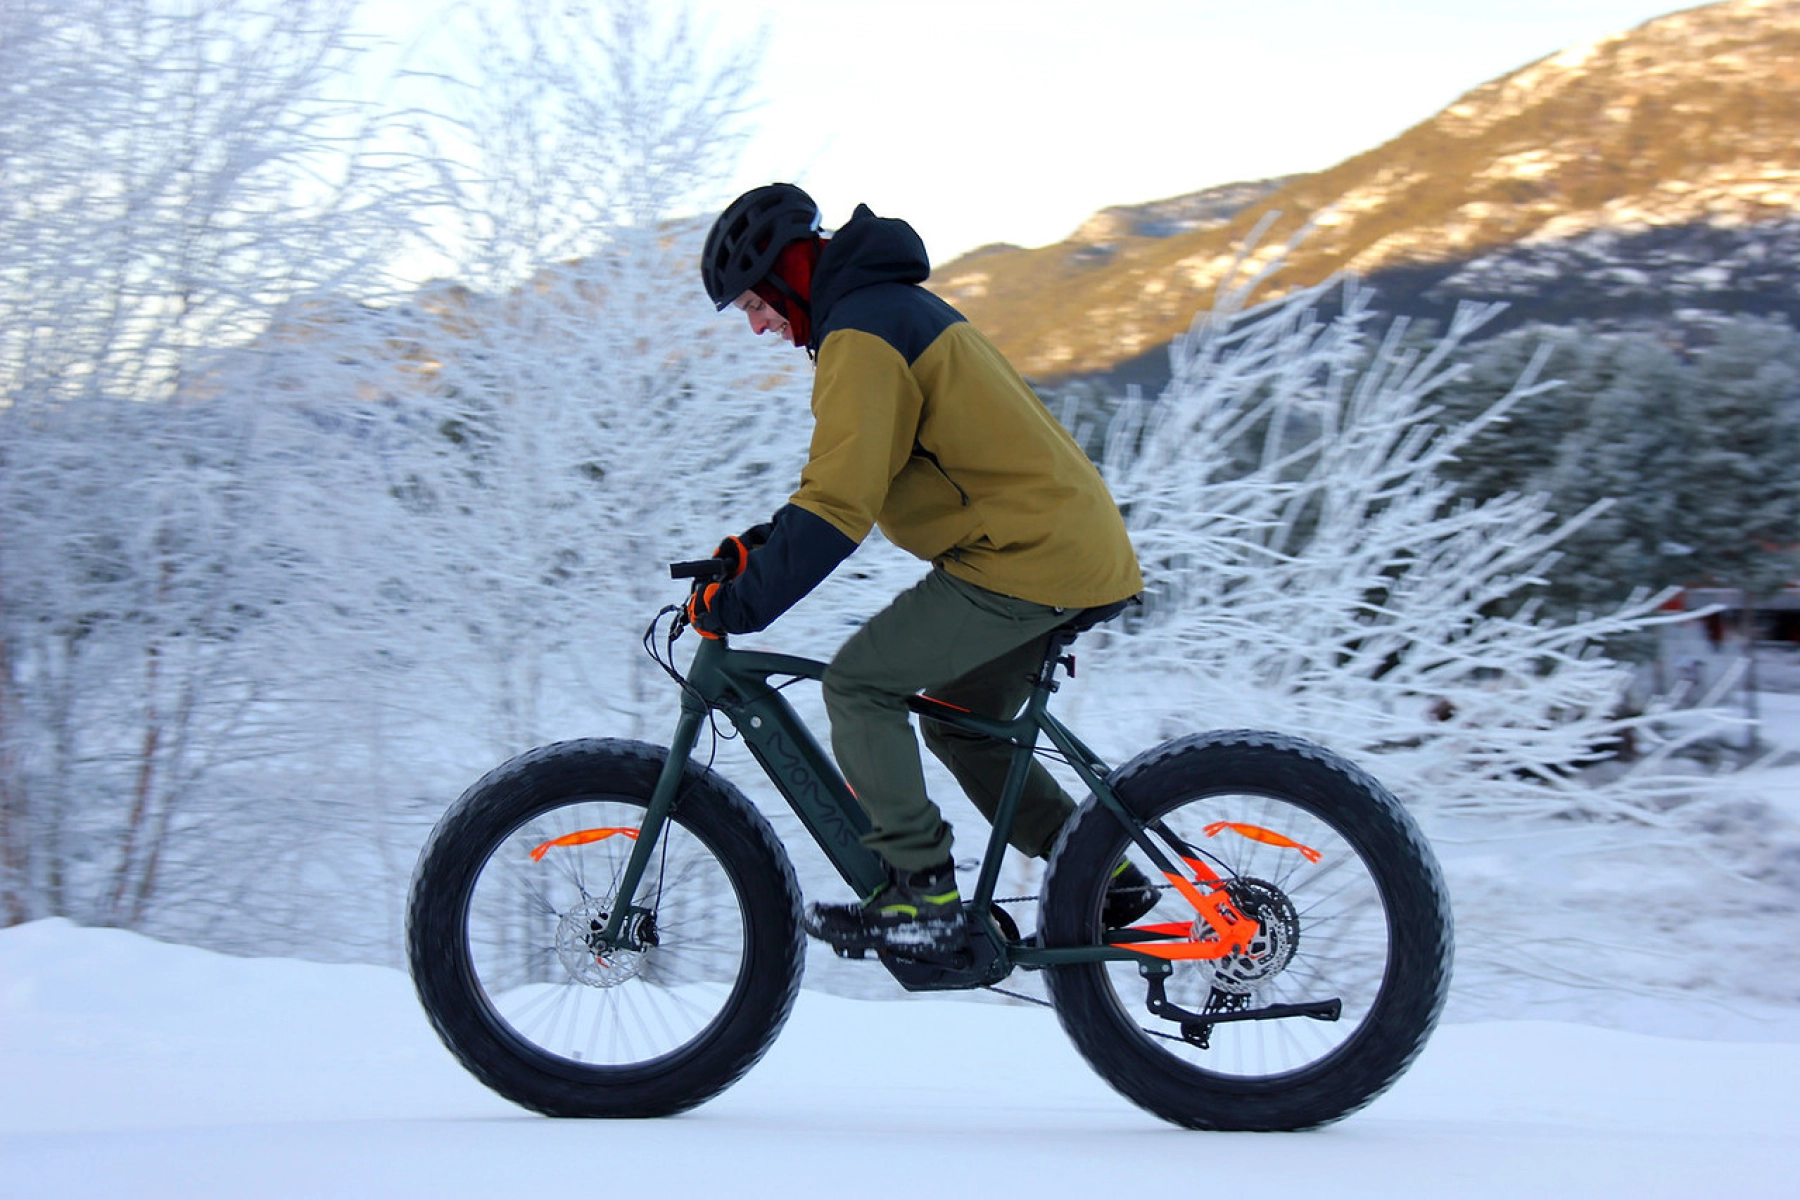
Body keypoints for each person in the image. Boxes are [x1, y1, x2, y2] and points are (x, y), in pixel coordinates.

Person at [688, 183, 1154, 959]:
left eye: (753, 305)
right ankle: (1101, 878)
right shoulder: (880, 313)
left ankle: (924, 898)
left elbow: (839, 507)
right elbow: (859, 474)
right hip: (1054, 548)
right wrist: (759, 552)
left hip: (1025, 558)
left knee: (859, 685)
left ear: (787, 272)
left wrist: (739, 606)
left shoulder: (863, 332)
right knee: (954, 720)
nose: (759, 324)